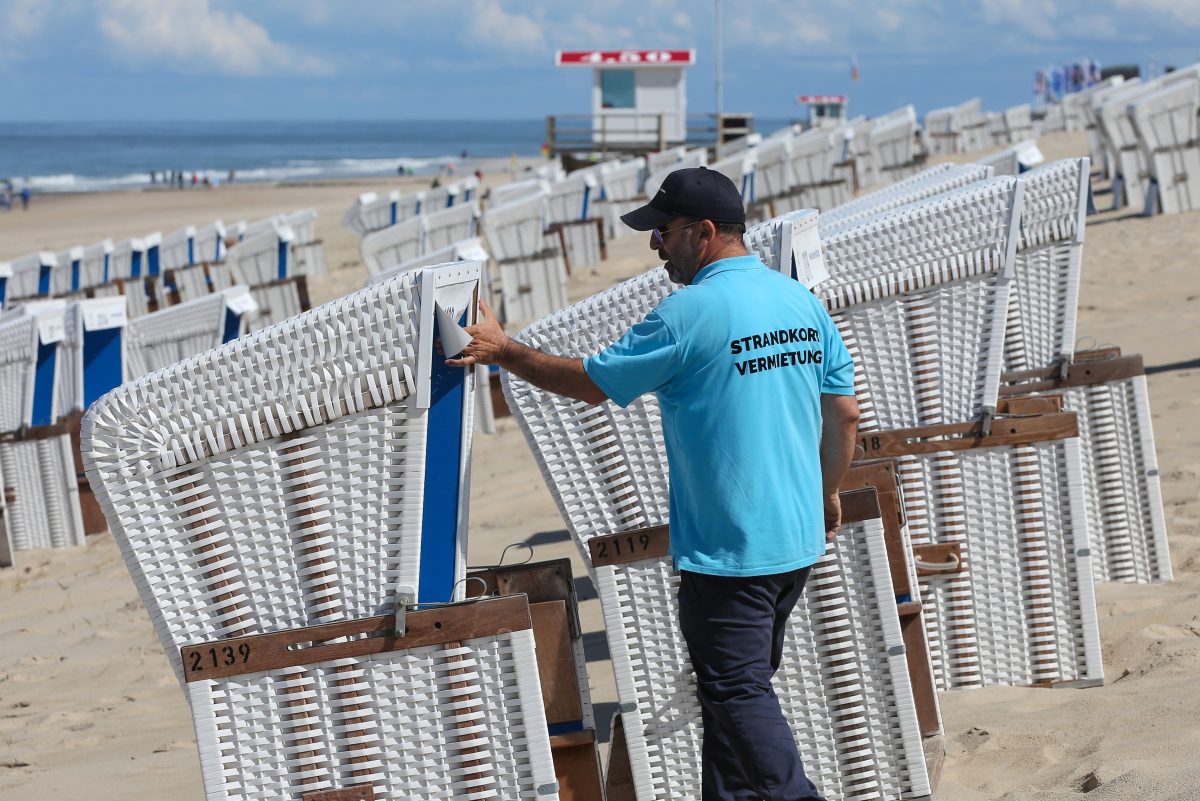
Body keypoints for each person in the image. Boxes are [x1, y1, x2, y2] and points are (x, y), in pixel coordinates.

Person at [448, 166, 860, 800]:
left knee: (736, 688)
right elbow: (844, 412)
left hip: (731, 548)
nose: (654, 245)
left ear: (701, 233)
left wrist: (506, 351)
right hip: (797, 538)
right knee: (730, 686)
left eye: (662, 232)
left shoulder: (688, 312)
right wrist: (828, 490)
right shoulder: (799, 301)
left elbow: (591, 383)